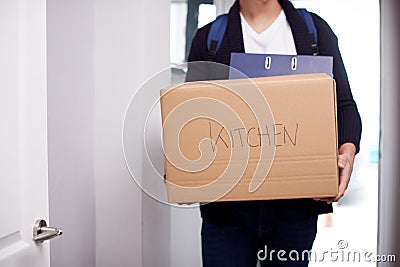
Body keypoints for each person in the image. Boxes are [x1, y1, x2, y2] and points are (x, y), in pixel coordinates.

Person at [187, 0, 362, 266]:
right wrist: (187, 169)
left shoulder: (315, 31)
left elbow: (344, 106)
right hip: (226, 212)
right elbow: (193, 119)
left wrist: (347, 151)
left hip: (296, 210)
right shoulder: (209, 39)